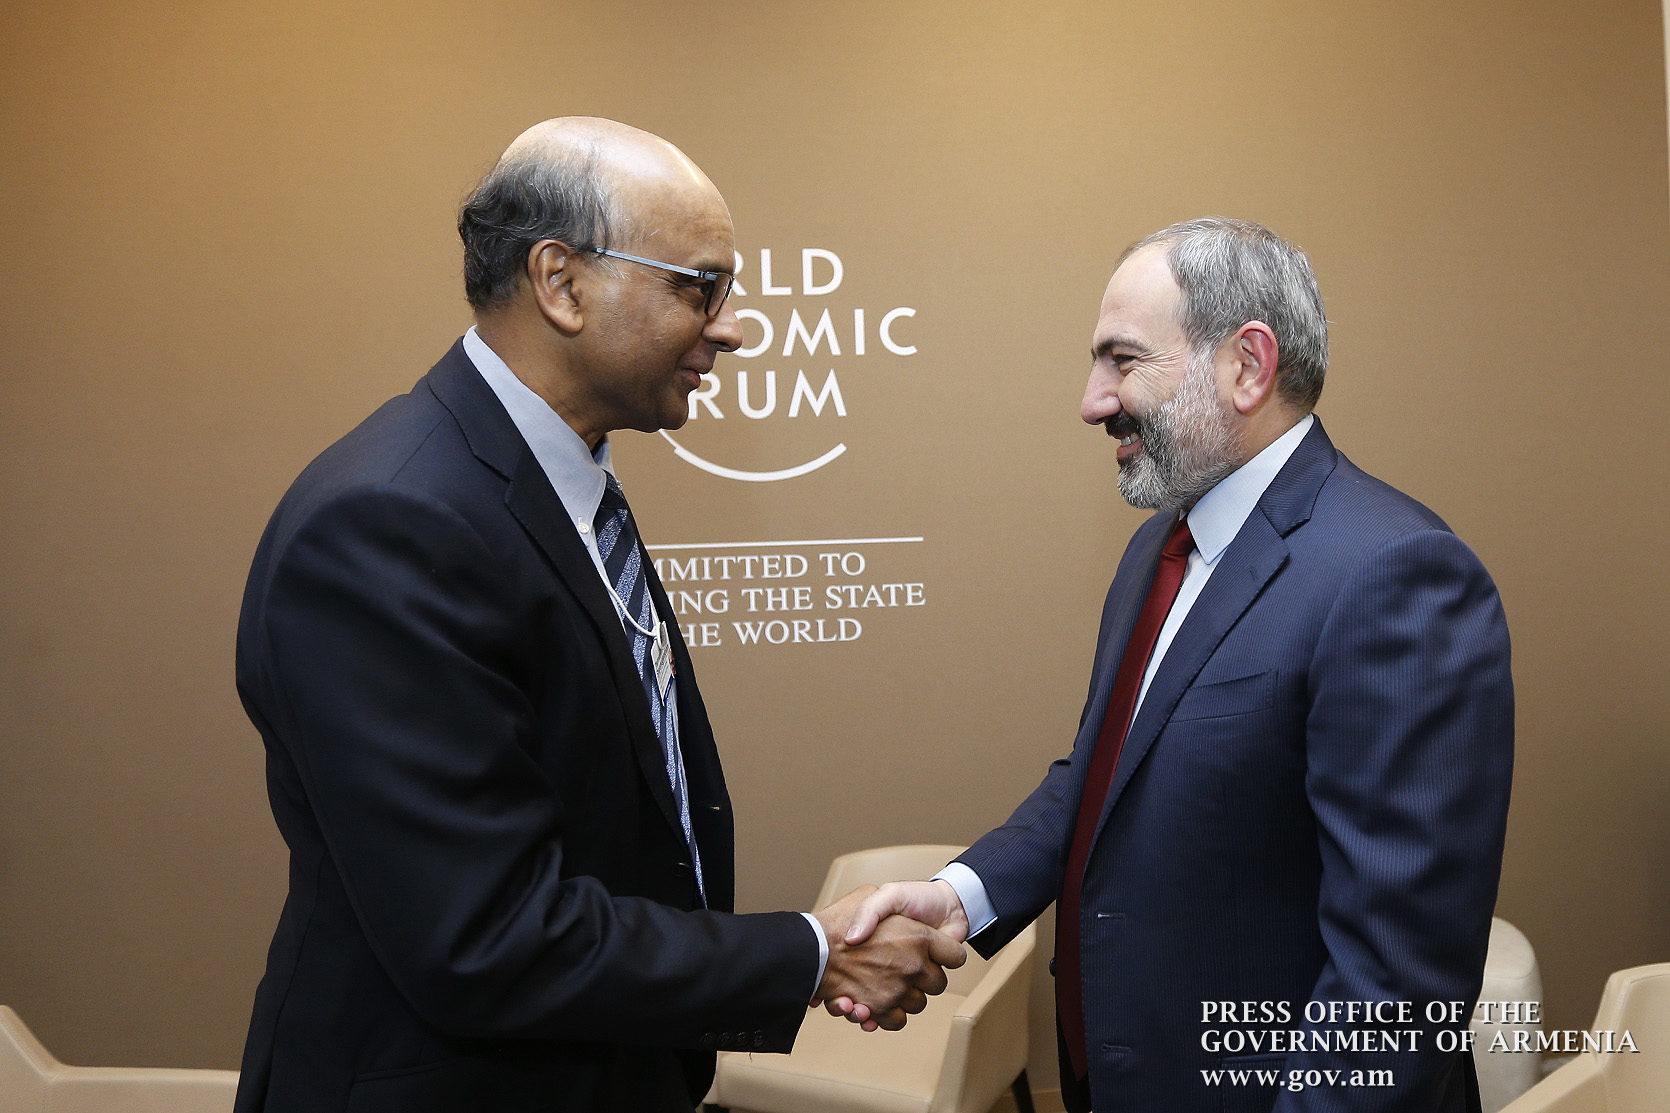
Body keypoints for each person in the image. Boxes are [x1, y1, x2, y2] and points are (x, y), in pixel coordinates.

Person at [231, 117, 963, 1113]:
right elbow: (485, 937)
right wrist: (809, 954)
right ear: (561, 283)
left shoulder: (552, 489)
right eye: (698, 288)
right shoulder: (391, 522)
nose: (731, 328)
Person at [843, 218, 1513, 1112]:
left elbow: (1399, 976)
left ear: (1247, 364)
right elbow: (1103, 775)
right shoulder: (1155, 552)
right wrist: (965, 897)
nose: (1093, 401)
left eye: (1122, 360)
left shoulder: (1395, 573)